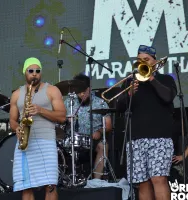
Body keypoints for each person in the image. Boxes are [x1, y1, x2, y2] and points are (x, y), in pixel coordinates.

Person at [117, 45, 177, 200]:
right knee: (142, 183)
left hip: (160, 138)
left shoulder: (166, 79)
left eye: (146, 60)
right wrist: (128, 93)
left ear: (155, 61)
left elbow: (168, 97)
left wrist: (151, 78)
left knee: (159, 179)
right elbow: (119, 107)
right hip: (136, 138)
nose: (142, 62)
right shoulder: (131, 82)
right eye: (139, 60)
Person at [9, 57, 66, 200]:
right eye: (31, 70)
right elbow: (12, 121)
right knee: (26, 188)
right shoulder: (16, 94)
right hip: (25, 144)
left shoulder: (52, 90)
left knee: (50, 186)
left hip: (46, 141)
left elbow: (62, 117)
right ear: (25, 73)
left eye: (37, 71)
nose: (34, 73)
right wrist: (17, 128)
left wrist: (40, 110)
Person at [64, 73, 112, 179]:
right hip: (72, 139)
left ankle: (96, 181)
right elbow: (60, 119)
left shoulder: (100, 103)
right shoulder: (68, 103)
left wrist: (99, 132)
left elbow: (108, 125)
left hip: (93, 140)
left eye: (84, 91)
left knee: (103, 146)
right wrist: (66, 120)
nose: (81, 94)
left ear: (89, 89)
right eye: (78, 92)